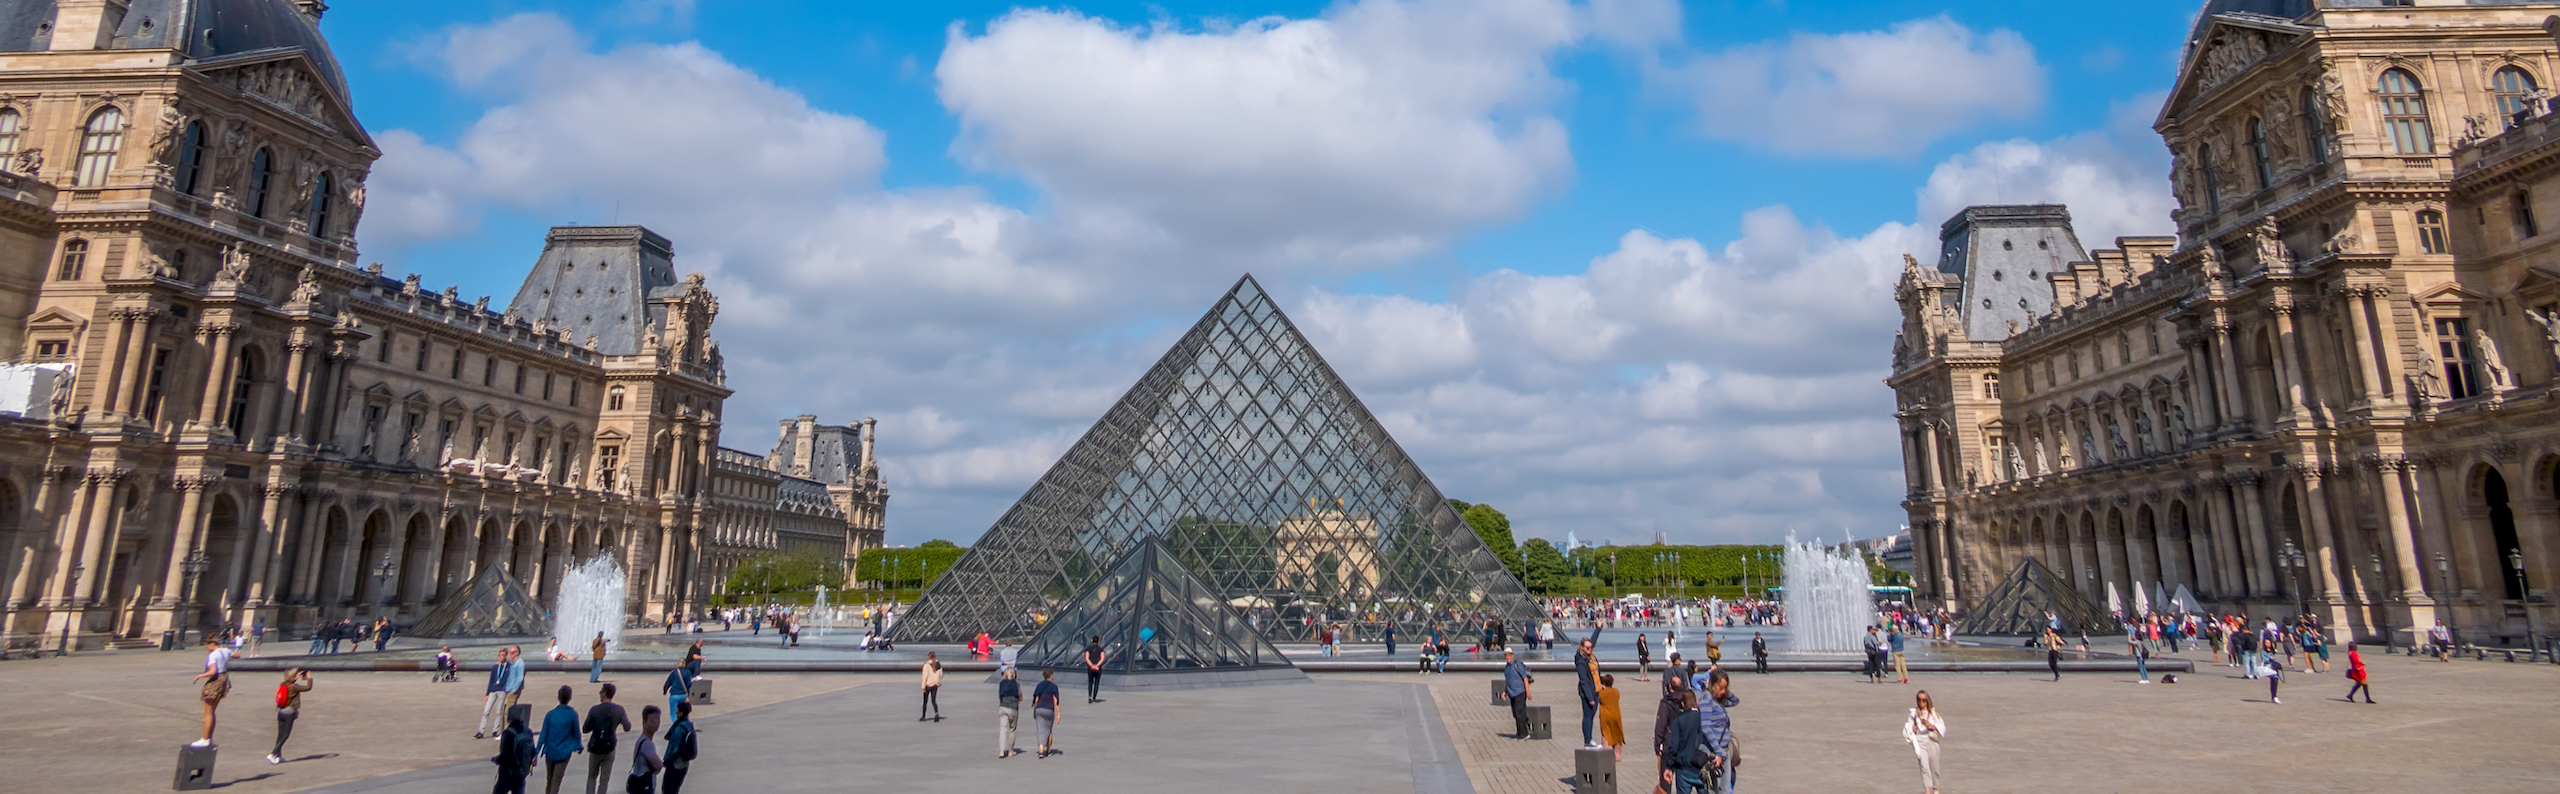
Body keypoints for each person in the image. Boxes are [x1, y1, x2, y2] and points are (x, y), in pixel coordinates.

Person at [581, 683, 631, 794]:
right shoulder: (619, 710)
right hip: (609, 746)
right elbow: (627, 727)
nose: (599, 694)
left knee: (592, 776)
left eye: (600, 692)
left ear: (604, 694)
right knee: (604, 780)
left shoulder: (594, 710)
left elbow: (585, 729)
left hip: (595, 746)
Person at [1660, 690, 1709, 794]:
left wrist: (1669, 767)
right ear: (1696, 701)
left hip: (1684, 768)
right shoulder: (1704, 717)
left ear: (1682, 704)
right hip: (1703, 766)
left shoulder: (1679, 720)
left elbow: (1673, 746)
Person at [539, 685, 583, 794]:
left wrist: (536, 752)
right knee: (556, 780)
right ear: (570, 698)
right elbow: (576, 733)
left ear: (558, 697)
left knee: (549, 780)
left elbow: (543, 735)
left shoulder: (550, 714)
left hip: (550, 751)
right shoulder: (572, 714)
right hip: (564, 751)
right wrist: (578, 746)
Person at [190, 636, 232, 747]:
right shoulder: (225, 651)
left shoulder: (213, 655)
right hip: (223, 679)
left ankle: (205, 739)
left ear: (212, 644)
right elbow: (236, 655)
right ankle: (209, 738)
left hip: (215, 680)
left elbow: (213, 671)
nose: (207, 649)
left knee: (208, 712)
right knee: (212, 711)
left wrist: (200, 676)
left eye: (207, 646)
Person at [1901, 690, 1946, 794]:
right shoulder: (1914, 713)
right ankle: (1927, 791)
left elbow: (1942, 728)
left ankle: (1935, 789)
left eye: (1924, 700)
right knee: (1924, 767)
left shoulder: (1933, 713)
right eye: (1919, 700)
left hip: (1931, 740)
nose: (1921, 703)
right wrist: (1913, 728)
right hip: (1920, 741)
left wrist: (1932, 726)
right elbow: (1907, 727)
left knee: (1935, 767)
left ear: (1927, 701)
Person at [268, 667, 313, 765]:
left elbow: (290, 682)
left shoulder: (283, 684)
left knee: (280, 734)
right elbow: (308, 688)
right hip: (290, 713)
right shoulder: (294, 687)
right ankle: (273, 754)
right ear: (293, 678)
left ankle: (278, 756)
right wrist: (309, 678)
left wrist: (295, 678)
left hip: (281, 712)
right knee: (285, 735)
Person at [493, 703, 536, 794]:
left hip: (508, 772)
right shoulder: (527, 731)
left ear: (509, 718)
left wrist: (496, 759)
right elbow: (531, 750)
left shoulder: (508, 733)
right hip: (521, 772)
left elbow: (505, 756)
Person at [661, 701, 697, 793]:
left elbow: (674, 748)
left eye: (677, 710)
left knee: (668, 789)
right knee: (675, 788)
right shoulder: (689, 725)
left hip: (675, 764)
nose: (676, 712)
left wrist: (666, 761)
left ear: (681, 712)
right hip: (684, 763)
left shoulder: (678, 728)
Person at [479, 648, 515, 739]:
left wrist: (508, 689)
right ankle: (481, 731)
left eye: (502, 655)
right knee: (486, 711)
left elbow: (510, 679)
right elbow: (491, 680)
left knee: (499, 712)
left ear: (506, 656)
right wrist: (487, 693)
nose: (500, 657)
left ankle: (495, 730)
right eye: (499, 655)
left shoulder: (509, 666)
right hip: (493, 690)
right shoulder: (495, 667)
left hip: (502, 691)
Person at [625, 706, 662, 794]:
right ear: (644, 722)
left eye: (658, 719)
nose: (656, 723)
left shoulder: (642, 740)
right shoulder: (647, 743)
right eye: (652, 721)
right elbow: (658, 765)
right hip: (644, 784)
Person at [1502, 649, 1533, 740]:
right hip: (1512, 694)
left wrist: (1528, 692)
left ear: (1512, 655)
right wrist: (1505, 692)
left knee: (1520, 713)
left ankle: (1525, 734)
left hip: (1520, 692)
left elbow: (1525, 678)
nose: (1507, 657)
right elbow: (1508, 681)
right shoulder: (1507, 667)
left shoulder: (1517, 664)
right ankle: (1519, 733)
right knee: (1515, 713)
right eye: (1506, 655)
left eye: (1509, 655)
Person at [1575, 637, 1601, 748]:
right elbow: (1584, 680)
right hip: (1588, 693)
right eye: (1587, 648)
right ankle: (1587, 741)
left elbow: (1592, 641)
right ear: (1582, 647)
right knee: (1587, 716)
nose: (1590, 649)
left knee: (1591, 716)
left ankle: (1590, 739)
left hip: (1596, 690)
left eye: (1591, 647)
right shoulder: (1581, 660)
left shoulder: (1589, 656)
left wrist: (1598, 628)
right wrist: (1590, 698)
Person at [1032, 668, 1063, 758]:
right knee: (1048, 730)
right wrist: (1058, 714)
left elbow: (1036, 699)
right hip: (1049, 710)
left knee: (1040, 730)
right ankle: (1048, 750)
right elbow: (1055, 701)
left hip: (1039, 709)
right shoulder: (1054, 687)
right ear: (1051, 676)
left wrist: (1035, 710)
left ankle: (1041, 751)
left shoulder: (1039, 685)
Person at [1598, 673, 1626, 762]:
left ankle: (1607, 754)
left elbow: (1599, 699)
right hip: (1616, 715)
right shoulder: (1616, 691)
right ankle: (1618, 755)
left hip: (1606, 716)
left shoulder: (1601, 693)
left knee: (1606, 734)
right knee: (1617, 734)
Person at [996, 668, 1023, 758]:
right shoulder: (1016, 683)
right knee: (1012, 729)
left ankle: (1002, 751)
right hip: (1013, 707)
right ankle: (1011, 750)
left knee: (1003, 729)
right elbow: (1020, 696)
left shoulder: (1001, 683)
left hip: (1003, 706)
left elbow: (1000, 695)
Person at [920, 652, 945, 721]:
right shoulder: (938, 664)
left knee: (925, 701)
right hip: (935, 684)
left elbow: (924, 677)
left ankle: (923, 716)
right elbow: (941, 675)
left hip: (928, 685)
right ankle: (936, 714)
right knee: (934, 701)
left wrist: (923, 687)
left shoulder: (926, 665)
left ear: (929, 657)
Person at [1082, 636, 1107, 703]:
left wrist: (1092, 666)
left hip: (1090, 669)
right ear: (1098, 641)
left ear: (1092, 641)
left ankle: (1090, 696)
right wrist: (1097, 665)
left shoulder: (1088, 649)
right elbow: (1102, 658)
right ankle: (1094, 697)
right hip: (1098, 669)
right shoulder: (1100, 649)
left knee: (1090, 682)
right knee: (1096, 682)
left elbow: (1087, 658)